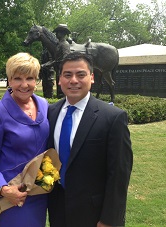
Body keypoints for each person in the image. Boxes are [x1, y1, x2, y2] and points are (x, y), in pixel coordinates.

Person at [47, 52, 133, 227]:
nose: (73, 80)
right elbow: (49, 157)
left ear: (92, 77)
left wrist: (110, 219)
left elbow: (119, 174)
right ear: (59, 79)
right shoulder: (51, 113)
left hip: (94, 214)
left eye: (81, 74)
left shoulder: (113, 118)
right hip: (57, 209)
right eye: (68, 75)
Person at [0, 52, 49, 227]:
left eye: (30, 78)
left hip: (42, 190)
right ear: (9, 80)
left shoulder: (44, 104)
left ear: (36, 80)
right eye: (17, 78)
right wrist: (3, 189)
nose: (24, 84)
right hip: (15, 193)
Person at [42, 24, 71, 98]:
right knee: (59, 87)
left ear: (62, 33)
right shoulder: (58, 44)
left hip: (62, 70)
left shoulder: (65, 44)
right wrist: (45, 65)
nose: (56, 34)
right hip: (58, 69)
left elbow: (66, 58)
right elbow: (55, 59)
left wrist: (54, 63)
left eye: (58, 32)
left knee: (61, 90)